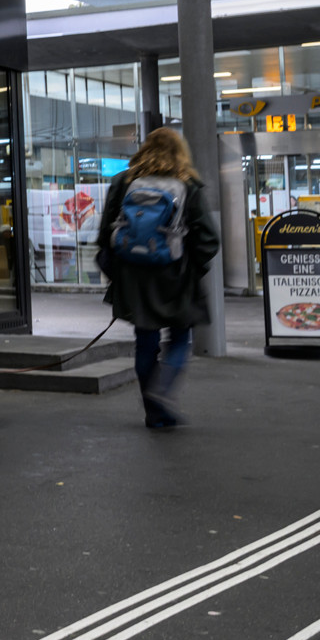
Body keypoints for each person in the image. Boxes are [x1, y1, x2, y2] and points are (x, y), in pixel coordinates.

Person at [97, 127, 220, 429]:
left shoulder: (124, 182)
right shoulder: (187, 184)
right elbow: (208, 240)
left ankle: (154, 413)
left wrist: (118, 272)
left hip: (134, 276)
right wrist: (192, 270)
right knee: (179, 338)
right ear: (180, 152)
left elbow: (104, 235)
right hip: (175, 275)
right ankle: (163, 390)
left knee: (145, 342)